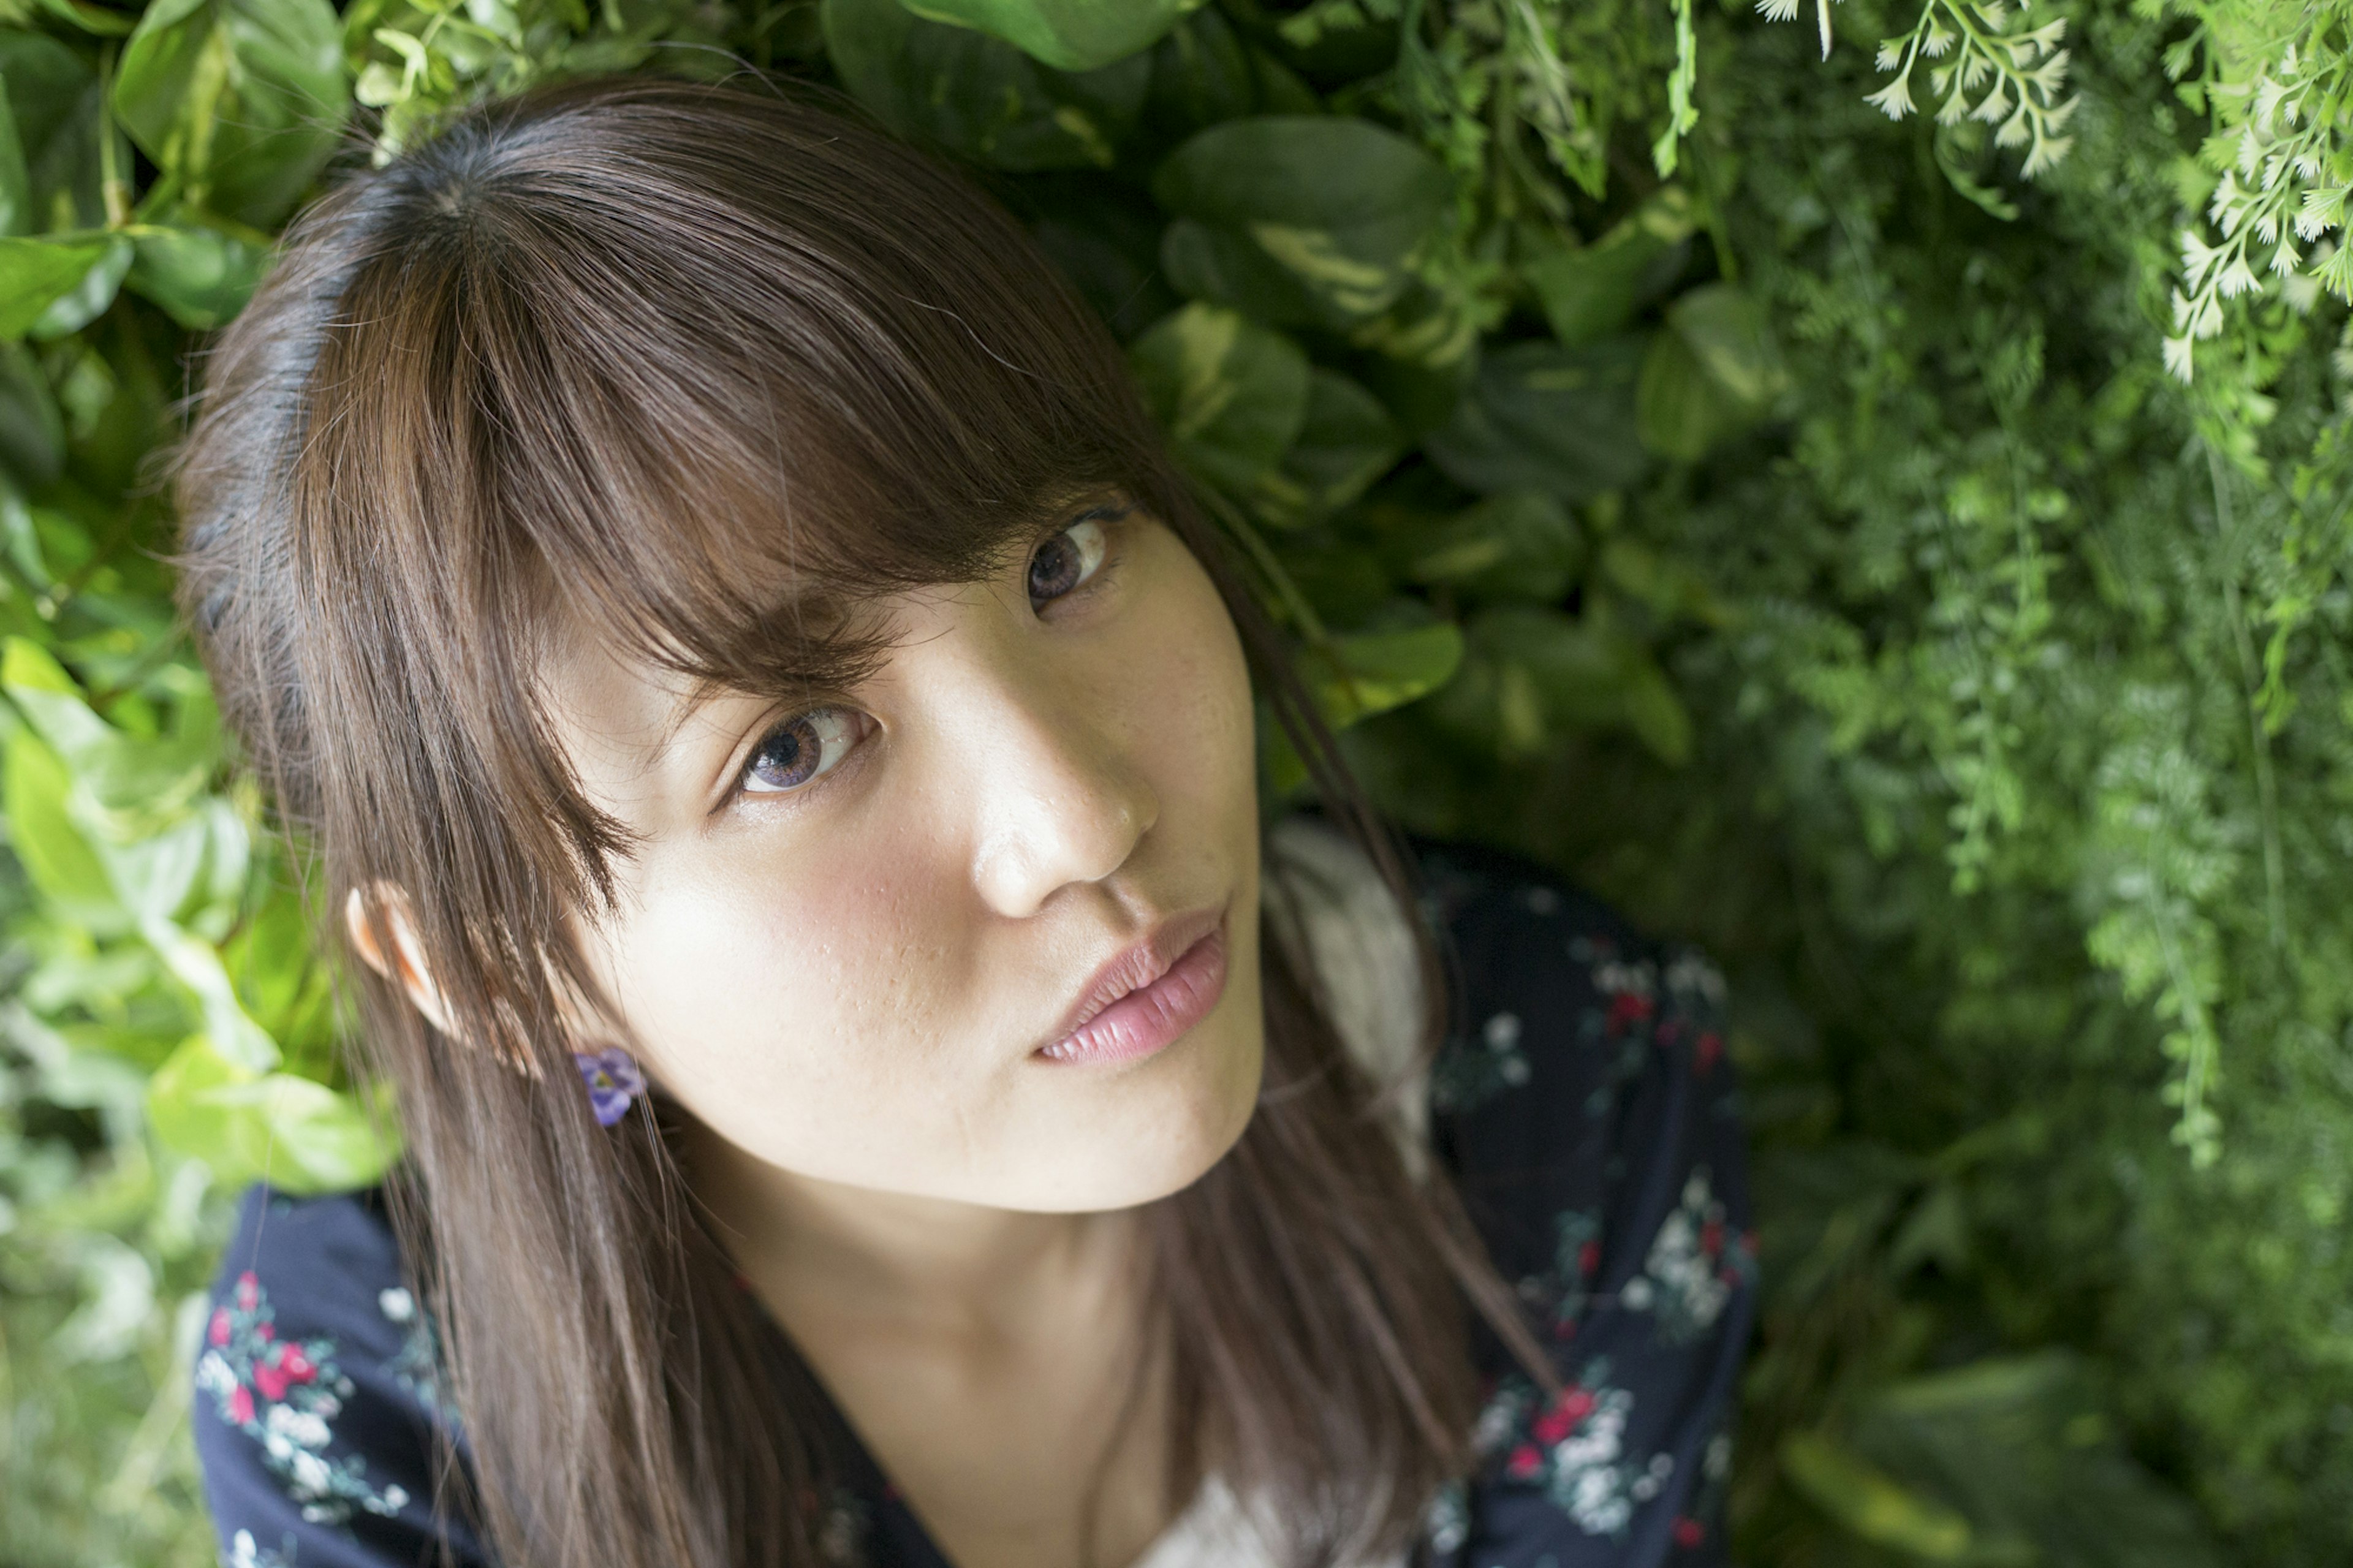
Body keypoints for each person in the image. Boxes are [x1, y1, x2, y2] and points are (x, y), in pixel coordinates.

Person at [173, 73, 1754, 1568]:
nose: (1080, 818)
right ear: (492, 968)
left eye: (1063, 558)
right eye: (789, 747)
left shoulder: (1539, 1087)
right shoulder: (377, 1417)